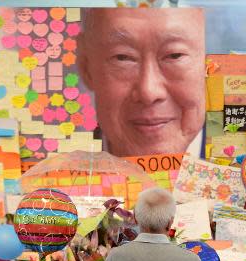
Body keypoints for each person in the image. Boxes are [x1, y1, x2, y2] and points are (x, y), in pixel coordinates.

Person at [77, 8, 206, 157]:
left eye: (174, 55)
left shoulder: (237, 162)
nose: (148, 92)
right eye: (122, 57)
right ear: (86, 66)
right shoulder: (53, 174)